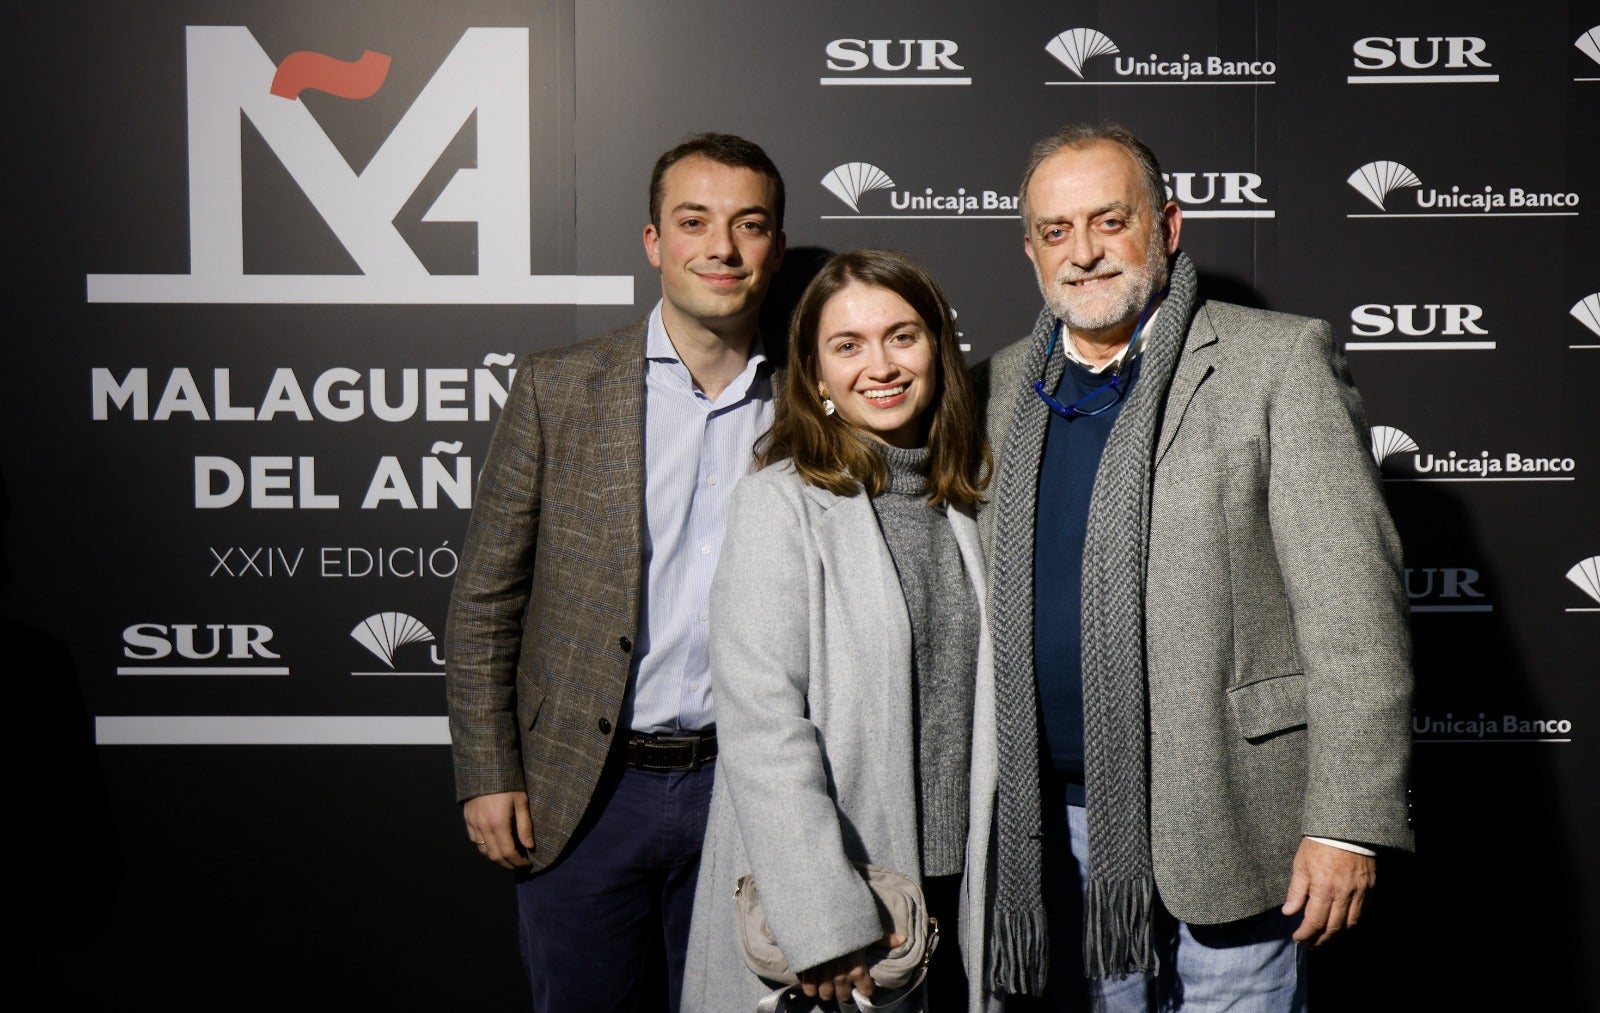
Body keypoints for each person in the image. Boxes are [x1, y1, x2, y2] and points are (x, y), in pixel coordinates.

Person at [974, 122, 1414, 1011]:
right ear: (1030, 251)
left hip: (1236, 810)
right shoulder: (1005, 384)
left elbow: (1354, 610)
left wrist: (1347, 821)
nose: (1086, 252)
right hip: (1055, 822)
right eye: (1057, 232)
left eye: (1110, 220)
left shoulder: (1275, 361)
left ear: (1168, 226)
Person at [445, 131, 786, 1012]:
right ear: (653, 242)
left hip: (743, 792)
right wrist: (488, 769)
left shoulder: (814, 402)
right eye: (694, 221)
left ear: (775, 248)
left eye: (748, 224)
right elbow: (486, 599)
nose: (721, 247)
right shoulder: (559, 388)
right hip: (584, 791)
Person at [681, 249, 1002, 1013]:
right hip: (843, 896)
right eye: (848, 345)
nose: (880, 365)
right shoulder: (780, 503)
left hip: (960, 896)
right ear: (816, 377)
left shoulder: (971, 500)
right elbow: (762, 725)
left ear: (938, 351)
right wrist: (823, 917)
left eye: (902, 335)